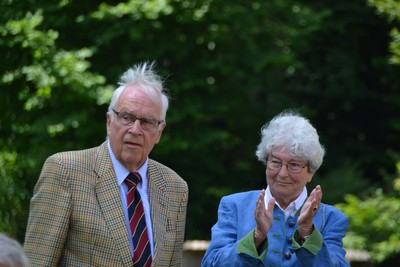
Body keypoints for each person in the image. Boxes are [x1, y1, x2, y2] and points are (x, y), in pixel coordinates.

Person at [23, 62, 189, 266]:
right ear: (109, 122)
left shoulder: (175, 188)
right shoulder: (65, 170)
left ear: (159, 132)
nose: (135, 130)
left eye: (147, 122)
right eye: (127, 117)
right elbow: (37, 261)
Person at [202, 110, 350, 267]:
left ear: (310, 172)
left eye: (294, 165)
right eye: (275, 162)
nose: (283, 173)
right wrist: (257, 236)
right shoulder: (235, 206)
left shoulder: (330, 218)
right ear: (265, 163)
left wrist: (307, 232)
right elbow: (211, 264)